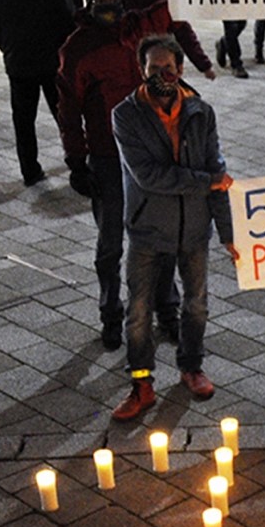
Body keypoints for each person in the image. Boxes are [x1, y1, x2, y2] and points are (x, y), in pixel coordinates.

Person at [111, 33, 238, 421]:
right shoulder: (126, 115)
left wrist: (231, 234)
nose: (162, 75)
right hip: (149, 229)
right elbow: (149, 176)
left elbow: (218, 172)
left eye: (168, 68)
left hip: (194, 229)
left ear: (181, 69)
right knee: (138, 311)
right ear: (141, 70)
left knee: (196, 305)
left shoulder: (201, 112)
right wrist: (205, 182)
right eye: (154, 69)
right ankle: (141, 383)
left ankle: (191, 367)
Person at [57, 0, 181, 351]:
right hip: (108, 158)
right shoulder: (78, 49)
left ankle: (167, 309)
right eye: (101, 1)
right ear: (90, 6)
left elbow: (171, 11)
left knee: (159, 234)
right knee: (111, 243)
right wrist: (77, 161)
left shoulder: (137, 34)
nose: (108, 7)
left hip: (149, 154)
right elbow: (69, 108)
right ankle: (111, 313)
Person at [0, 0, 74, 187]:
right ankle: (75, 158)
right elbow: (67, 19)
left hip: (18, 62)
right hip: (50, 60)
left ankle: (30, 169)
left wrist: (8, 47)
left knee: (23, 119)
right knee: (63, 113)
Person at [122, 0, 217, 81]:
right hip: (162, 61)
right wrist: (205, 66)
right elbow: (186, 36)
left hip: (131, 65)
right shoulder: (168, 3)